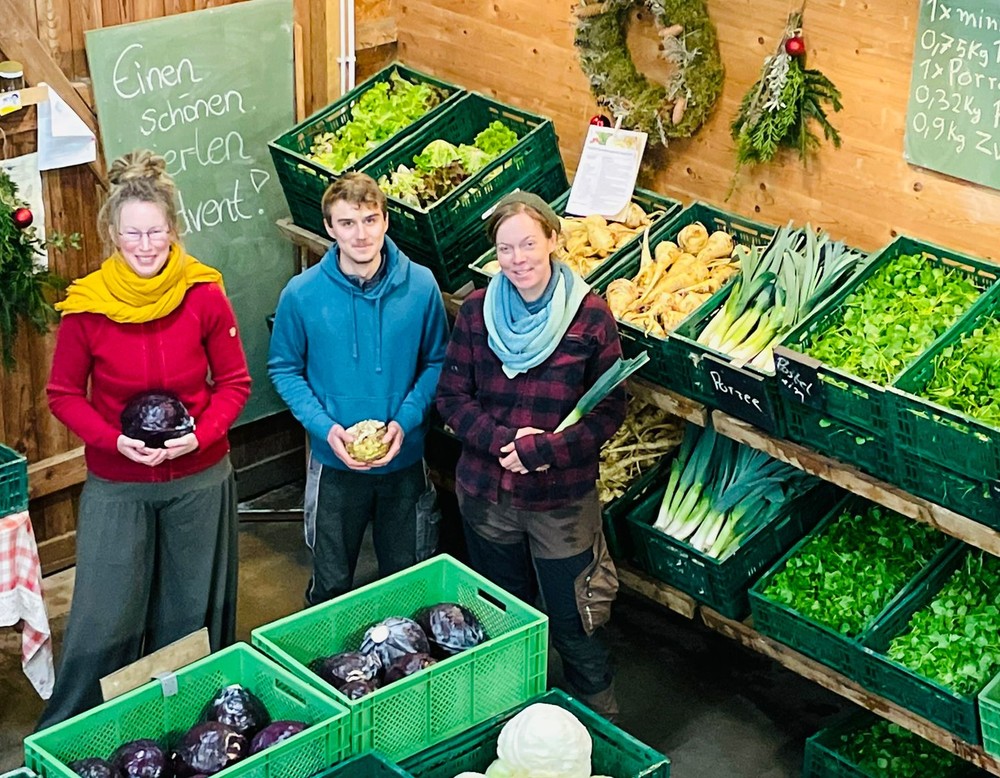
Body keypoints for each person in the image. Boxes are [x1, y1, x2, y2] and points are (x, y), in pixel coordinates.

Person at [38, 150, 251, 728]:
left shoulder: (204, 293)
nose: (145, 244)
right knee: (105, 617)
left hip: (199, 477)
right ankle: (77, 732)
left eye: (156, 231)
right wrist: (112, 441)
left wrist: (200, 437)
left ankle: (188, 729)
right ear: (111, 233)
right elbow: (63, 396)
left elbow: (234, 383)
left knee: (191, 614)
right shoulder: (87, 308)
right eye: (132, 232)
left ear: (174, 230)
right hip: (119, 482)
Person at [435, 191, 626, 719]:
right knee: (503, 615)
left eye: (528, 244)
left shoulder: (591, 318)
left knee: (574, 619)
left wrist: (546, 450)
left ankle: (599, 722)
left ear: (553, 241)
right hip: (488, 493)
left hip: (561, 502)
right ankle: (511, 712)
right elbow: (451, 397)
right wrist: (503, 442)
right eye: (505, 249)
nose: (517, 259)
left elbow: (609, 412)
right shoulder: (476, 312)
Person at [268, 172, 448, 605]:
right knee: (329, 586)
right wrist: (323, 428)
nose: (361, 234)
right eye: (347, 223)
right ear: (329, 228)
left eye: (370, 220)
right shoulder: (302, 294)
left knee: (406, 586)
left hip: (404, 462)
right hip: (334, 466)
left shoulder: (421, 287)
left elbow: (437, 362)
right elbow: (284, 368)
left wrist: (405, 422)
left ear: (386, 221)